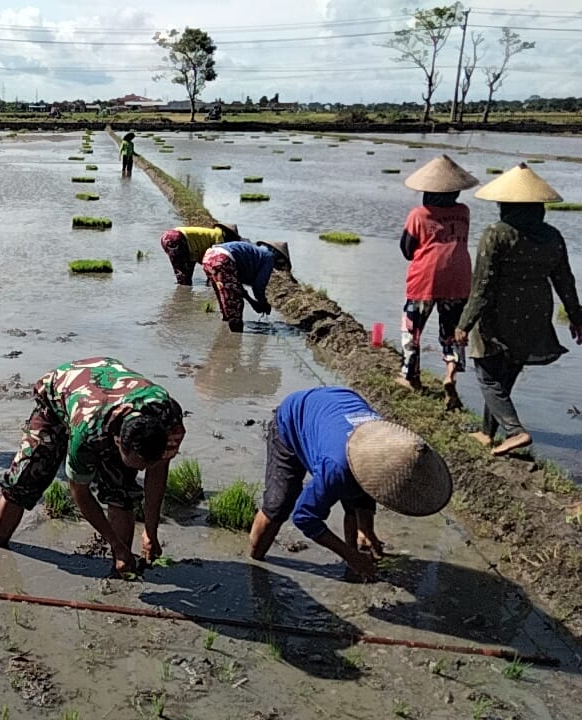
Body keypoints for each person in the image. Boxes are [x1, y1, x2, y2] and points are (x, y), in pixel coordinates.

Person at [0, 357, 186, 576]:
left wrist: (151, 532)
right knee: (25, 479)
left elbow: (157, 472)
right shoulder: (87, 432)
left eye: (144, 465)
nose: (140, 470)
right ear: (118, 443)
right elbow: (79, 492)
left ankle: (121, 571)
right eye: (136, 464)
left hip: (110, 390)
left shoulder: (168, 419)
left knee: (121, 490)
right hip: (61, 393)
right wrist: (115, 543)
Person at [249, 387, 452, 581]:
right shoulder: (337, 468)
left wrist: (367, 530)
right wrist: (350, 556)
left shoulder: (390, 448)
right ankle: (254, 563)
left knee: (358, 492)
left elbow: (372, 489)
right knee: (280, 503)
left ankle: (361, 544)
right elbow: (304, 517)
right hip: (294, 417)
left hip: (338, 408)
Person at [456, 163, 582, 456]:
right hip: (536, 311)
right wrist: (576, 317)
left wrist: (464, 323)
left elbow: (483, 285)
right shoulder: (552, 236)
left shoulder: (496, 234)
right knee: (507, 371)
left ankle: (515, 431)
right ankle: (488, 433)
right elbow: (565, 280)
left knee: (487, 373)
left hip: (498, 310)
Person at [397, 155, 479, 409]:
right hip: (459, 278)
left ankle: (410, 377)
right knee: (453, 331)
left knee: (413, 329)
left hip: (426, 279)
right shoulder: (463, 212)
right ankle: (450, 376)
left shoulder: (419, 214)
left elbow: (407, 249)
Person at [201, 240, 291, 333]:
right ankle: (235, 340)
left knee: (225, 300)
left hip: (209, 257)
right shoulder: (269, 257)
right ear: (279, 257)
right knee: (235, 305)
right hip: (223, 259)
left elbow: (237, 286)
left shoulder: (255, 254)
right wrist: (263, 302)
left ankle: (225, 334)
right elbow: (258, 286)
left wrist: (252, 302)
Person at [159, 223, 241, 286]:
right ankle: (183, 298)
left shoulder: (212, 234)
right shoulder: (220, 239)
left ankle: (182, 291)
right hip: (178, 239)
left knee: (186, 269)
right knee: (184, 277)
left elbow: (202, 258)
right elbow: (214, 263)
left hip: (169, 237)